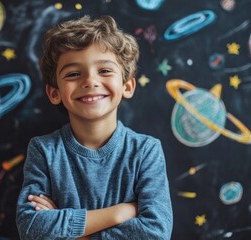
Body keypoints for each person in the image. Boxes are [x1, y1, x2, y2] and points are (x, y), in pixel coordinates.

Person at [16, 15, 173, 239]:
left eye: (105, 71)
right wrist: (120, 213)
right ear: (54, 93)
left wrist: (76, 235)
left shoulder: (146, 151)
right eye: (73, 74)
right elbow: (32, 228)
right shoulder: (43, 150)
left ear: (127, 86)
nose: (90, 81)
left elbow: (155, 233)